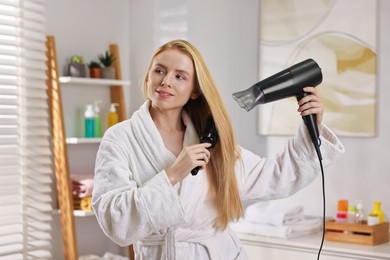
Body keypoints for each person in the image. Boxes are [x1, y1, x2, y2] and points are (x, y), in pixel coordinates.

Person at [92, 39, 345, 259]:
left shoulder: (210, 139)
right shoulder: (120, 138)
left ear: (194, 91)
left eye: (180, 76)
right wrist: (171, 175)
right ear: (148, 77)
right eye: (159, 71)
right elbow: (115, 221)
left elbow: (276, 176)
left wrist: (312, 124)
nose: (166, 81)